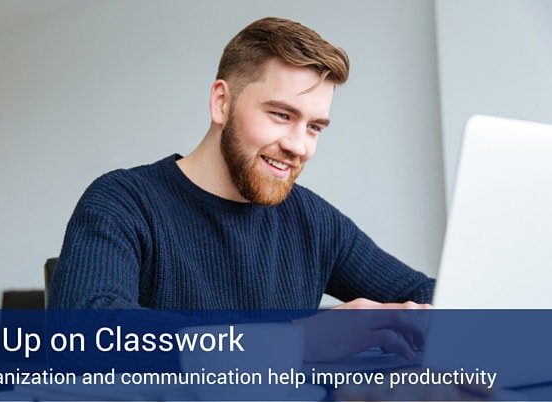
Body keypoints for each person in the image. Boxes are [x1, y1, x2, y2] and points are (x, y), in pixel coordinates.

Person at [49, 17, 434, 360]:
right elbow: (84, 334)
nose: (299, 146)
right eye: (281, 115)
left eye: (314, 126)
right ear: (221, 103)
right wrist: (299, 341)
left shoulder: (312, 221)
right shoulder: (123, 201)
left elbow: (422, 291)